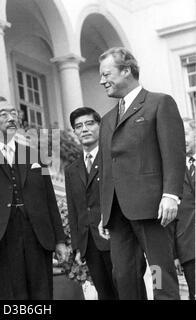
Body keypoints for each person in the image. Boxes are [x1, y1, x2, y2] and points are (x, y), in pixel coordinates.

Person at [0, 95, 67, 299]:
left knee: (42, 294)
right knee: (12, 295)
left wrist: (60, 240)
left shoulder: (34, 154)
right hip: (2, 235)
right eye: (3, 113)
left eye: (13, 112)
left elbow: (49, 198)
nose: (11, 117)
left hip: (37, 234)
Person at [97, 47, 186, 300]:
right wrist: (104, 212)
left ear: (126, 70)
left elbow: (173, 153)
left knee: (159, 273)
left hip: (152, 208)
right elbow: (106, 165)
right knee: (123, 275)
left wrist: (171, 195)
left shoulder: (160, 103)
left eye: (106, 74)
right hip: (116, 213)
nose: (101, 81)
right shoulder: (106, 120)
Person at [65, 107, 118, 300]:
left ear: (99, 126)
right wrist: (78, 246)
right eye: (78, 126)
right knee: (105, 295)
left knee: (128, 292)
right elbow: (74, 210)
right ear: (75, 132)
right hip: (91, 245)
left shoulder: (112, 158)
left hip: (115, 237)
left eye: (89, 124)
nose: (84, 129)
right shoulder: (71, 169)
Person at [173, 118, 195, 300]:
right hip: (188, 248)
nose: (182, 139)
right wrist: (174, 254)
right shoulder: (173, 170)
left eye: (186, 133)